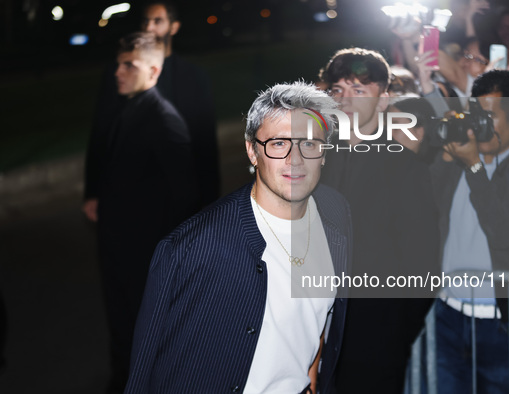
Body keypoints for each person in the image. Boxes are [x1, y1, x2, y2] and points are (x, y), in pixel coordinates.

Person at [124, 82, 352, 394]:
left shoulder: (335, 213)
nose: (295, 159)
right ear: (252, 150)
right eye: (278, 144)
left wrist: (312, 371)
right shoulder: (195, 248)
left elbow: (320, 319)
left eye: (309, 144)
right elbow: (147, 364)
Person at [83, 32, 199, 392]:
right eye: (118, 64)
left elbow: (185, 203)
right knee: (122, 328)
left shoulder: (165, 122)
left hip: (143, 257)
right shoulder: (129, 109)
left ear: (152, 70)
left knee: (143, 334)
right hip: (120, 249)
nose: (118, 71)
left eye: (128, 65)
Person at [318, 47, 439, 393]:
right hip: (317, 327)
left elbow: (423, 260)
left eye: (359, 89)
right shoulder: (314, 161)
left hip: (377, 334)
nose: (345, 99)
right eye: (337, 90)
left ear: (383, 100)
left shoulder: (405, 168)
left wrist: (397, 331)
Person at [430, 70, 509, 393]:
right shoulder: (461, 154)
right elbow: (427, 206)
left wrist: (473, 166)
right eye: (476, 115)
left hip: (500, 322)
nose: (479, 124)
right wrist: (445, 157)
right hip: (447, 314)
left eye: (489, 116)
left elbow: (501, 231)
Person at [86, 1, 219, 215]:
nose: (149, 28)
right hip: (129, 194)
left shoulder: (195, 78)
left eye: (158, 21)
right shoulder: (119, 73)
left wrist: (210, 198)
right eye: (146, 21)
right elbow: (102, 132)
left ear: (173, 27)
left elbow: (205, 141)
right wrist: (92, 191)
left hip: (181, 195)